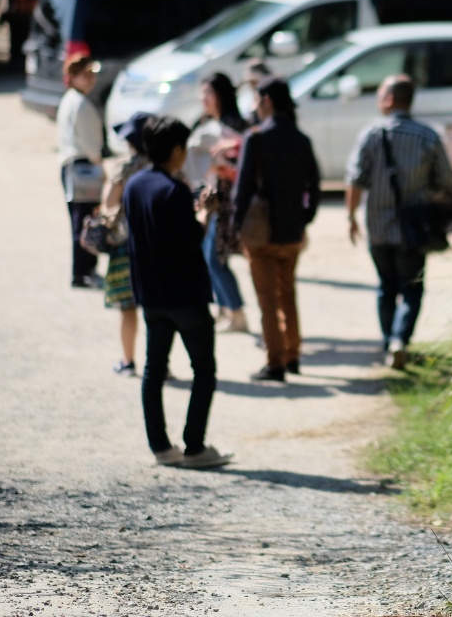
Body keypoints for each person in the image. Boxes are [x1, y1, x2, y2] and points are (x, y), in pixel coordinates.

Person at [123, 116, 232, 468]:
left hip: (150, 293)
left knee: (154, 370)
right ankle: (194, 447)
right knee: (203, 369)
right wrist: (205, 213)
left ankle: (161, 447)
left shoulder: (134, 185)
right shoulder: (174, 190)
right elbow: (192, 239)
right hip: (185, 294)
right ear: (175, 150)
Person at [346, 75, 452, 370]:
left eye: (380, 95)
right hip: (414, 228)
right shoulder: (428, 136)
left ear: (390, 99)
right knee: (412, 287)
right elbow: (445, 180)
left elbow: (355, 179)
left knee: (386, 287)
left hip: (378, 226)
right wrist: (423, 192)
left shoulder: (370, 134)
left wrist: (350, 216)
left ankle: (387, 342)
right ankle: (400, 341)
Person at [232, 78, 321, 383]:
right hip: (291, 229)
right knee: (288, 294)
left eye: (257, 100)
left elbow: (242, 190)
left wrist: (234, 226)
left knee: (267, 299)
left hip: (261, 231)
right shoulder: (301, 138)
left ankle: (275, 362)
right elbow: (315, 186)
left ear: (266, 100)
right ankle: (293, 354)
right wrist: (305, 218)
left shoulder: (255, 138)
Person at [186, 73, 250, 333]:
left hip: (229, 203)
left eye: (208, 93)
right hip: (213, 201)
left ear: (221, 96)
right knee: (210, 256)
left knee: (215, 258)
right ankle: (226, 309)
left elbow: (247, 166)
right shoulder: (209, 124)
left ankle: (236, 313)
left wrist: (228, 169)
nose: (203, 98)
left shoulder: (235, 127)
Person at [100, 112, 153, 376]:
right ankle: (159, 364)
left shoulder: (124, 167)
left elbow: (110, 203)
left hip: (126, 242)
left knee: (127, 307)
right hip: (156, 243)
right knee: (157, 310)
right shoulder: (162, 165)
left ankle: (129, 361)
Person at [57, 54, 105, 289]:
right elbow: (90, 142)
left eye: (91, 74)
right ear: (73, 77)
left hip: (71, 166)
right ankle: (83, 271)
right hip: (83, 166)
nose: (91, 79)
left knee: (81, 220)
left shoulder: (70, 100)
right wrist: (99, 166)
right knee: (86, 221)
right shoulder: (80, 104)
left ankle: (83, 270)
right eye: (85, 75)